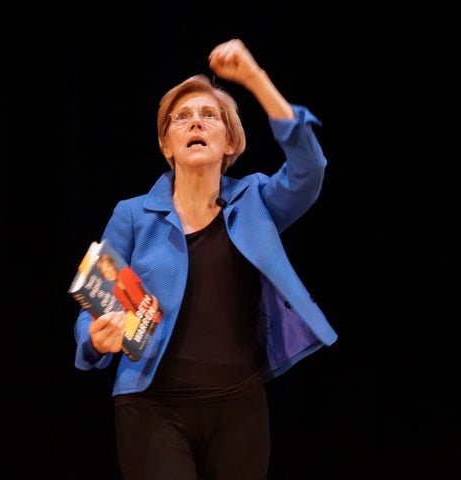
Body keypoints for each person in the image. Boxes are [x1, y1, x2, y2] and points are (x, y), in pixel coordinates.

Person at [72, 38, 338, 480]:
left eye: (209, 116)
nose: (195, 122)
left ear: (229, 140)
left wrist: (254, 78)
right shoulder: (133, 214)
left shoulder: (256, 200)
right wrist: (97, 339)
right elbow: (96, 303)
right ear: (167, 146)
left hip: (239, 405)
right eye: (182, 118)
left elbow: (310, 167)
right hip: (151, 407)